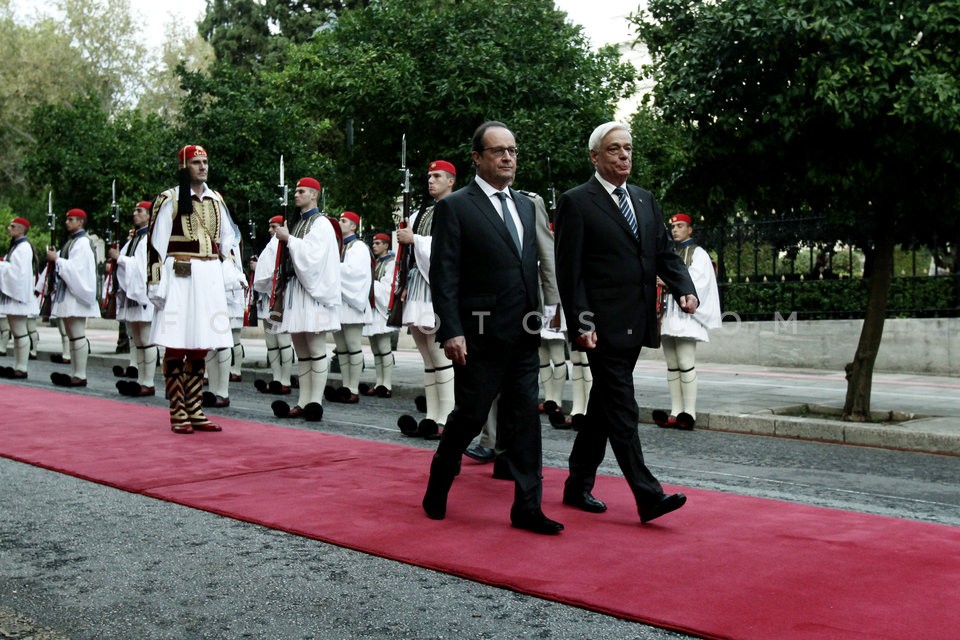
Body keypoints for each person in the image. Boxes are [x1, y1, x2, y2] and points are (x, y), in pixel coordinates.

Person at [554, 121, 698, 523]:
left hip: (637, 321)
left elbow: (663, 253)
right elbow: (571, 272)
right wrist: (582, 323)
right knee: (621, 405)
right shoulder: (576, 201)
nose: (624, 156)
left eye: (629, 149)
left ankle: (577, 483)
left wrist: (684, 286)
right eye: (615, 149)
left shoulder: (644, 199)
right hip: (600, 326)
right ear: (595, 156)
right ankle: (647, 494)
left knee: (604, 404)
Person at [423, 120, 563, 535]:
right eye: (499, 151)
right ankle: (440, 477)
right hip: (478, 334)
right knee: (470, 416)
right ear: (477, 158)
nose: (508, 158)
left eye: (513, 151)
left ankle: (527, 506)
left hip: (523, 331)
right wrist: (451, 330)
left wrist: (547, 311)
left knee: (525, 419)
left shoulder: (526, 204)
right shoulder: (456, 206)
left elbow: (535, 263)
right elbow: (444, 274)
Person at [147, 144, 236, 434]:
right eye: (196, 162)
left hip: (208, 274)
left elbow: (228, 241)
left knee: (201, 344)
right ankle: (177, 410)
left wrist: (232, 273)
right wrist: (155, 282)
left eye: (205, 162)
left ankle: (195, 409)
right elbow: (156, 244)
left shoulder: (216, 199)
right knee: (177, 342)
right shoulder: (169, 199)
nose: (202, 167)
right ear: (184, 166)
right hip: (181, 275)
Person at [264, 177, 342, 422]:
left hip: (313, 292)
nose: (296, 195)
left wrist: (289, 240)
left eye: (301, 191)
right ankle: (302, 401)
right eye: (295, 191)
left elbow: (316, 257)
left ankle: (315, 401)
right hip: (296, 290)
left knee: (316, 347)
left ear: (314, 195)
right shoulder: (298, 223)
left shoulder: (321, 223)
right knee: (301, 348)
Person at [394, 160, 457, 439]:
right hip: (419, 286)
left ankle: (447, 417)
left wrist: (415, 240)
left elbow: (451, 248)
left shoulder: (457, 207)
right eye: (429, 176)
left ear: (451, 180)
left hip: (438, 289)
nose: (430, 181)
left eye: (437, 176)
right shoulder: (422, 212)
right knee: (427, 357)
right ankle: (432, 416)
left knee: (440, 354)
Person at [652, 213, 722, 430]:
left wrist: (666, 281)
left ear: (690, 229)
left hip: (686, 317)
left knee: (685, 363)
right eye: (673, 227)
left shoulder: (699, 254)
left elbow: (697, 282)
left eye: (680, 226)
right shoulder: (669, 252)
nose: (675, 230)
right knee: (672, 365)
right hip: (668, 315)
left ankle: (688, 412)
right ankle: (675, 411)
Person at [46, 209, 101, 387]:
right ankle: (75, 373)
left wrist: (57, 260)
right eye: (67, 219)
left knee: (77, 335)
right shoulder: (73, 241)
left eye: (71, 219)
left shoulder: (82, 243)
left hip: (77, 294)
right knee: (72, 335)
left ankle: (80, 374)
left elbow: (77, 269)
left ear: (81, 222)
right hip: (70, 293)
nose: (66, 222)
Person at [109, 201, 158, 396]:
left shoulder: (149, 238)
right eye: (134, 210)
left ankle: (149, 381)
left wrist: (119, 258)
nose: (134, 214)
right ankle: (140, 379)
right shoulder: (135, 239)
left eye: (139, 211)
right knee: (138, 339)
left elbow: (141, 267)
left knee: (146, 339)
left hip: (143, 294)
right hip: (132, 295)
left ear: (149, 215)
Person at [328, 210, 372, 403]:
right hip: (339, 303)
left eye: (343, 221)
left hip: (352, 303)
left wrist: (330, 265)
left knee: (353, 346)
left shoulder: (359, 247)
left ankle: (353, 388)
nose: (340, 222)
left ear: (353, 226)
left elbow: (356, 273)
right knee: (341, 348)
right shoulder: (338, 246)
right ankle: (346, 386)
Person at [252, 215, 294, 395]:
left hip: (279, 298)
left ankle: (285, 379)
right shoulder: (270, 244)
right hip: (267, 297)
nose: (271, 230)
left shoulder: (285, 244)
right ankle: (276, 378)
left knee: (283, 341)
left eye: (274, 226)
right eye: (270, 226)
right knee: (271, 343)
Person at [0, 217, 40, 379]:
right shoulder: (17, 247)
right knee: (17, 332)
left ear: (21, 230)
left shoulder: (23, 248)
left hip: (18, 296)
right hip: (14, 296)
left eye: (12, 226)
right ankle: (18, 366)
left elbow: (19, 274)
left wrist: (1, 265)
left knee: (20, 331)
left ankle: (21, 367)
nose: (9, 228)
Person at [360, 231, 398, 398]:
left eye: (378, 243)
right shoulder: (374, 263)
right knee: (375, 349)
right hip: (372, 309)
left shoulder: (391, 263)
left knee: (384, 348)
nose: (374, 246)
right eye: (373, 243)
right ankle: (379, 382)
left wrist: (369, 283)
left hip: (381, 310)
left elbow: (388, 287)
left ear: (386, 245)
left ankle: (387, 384)